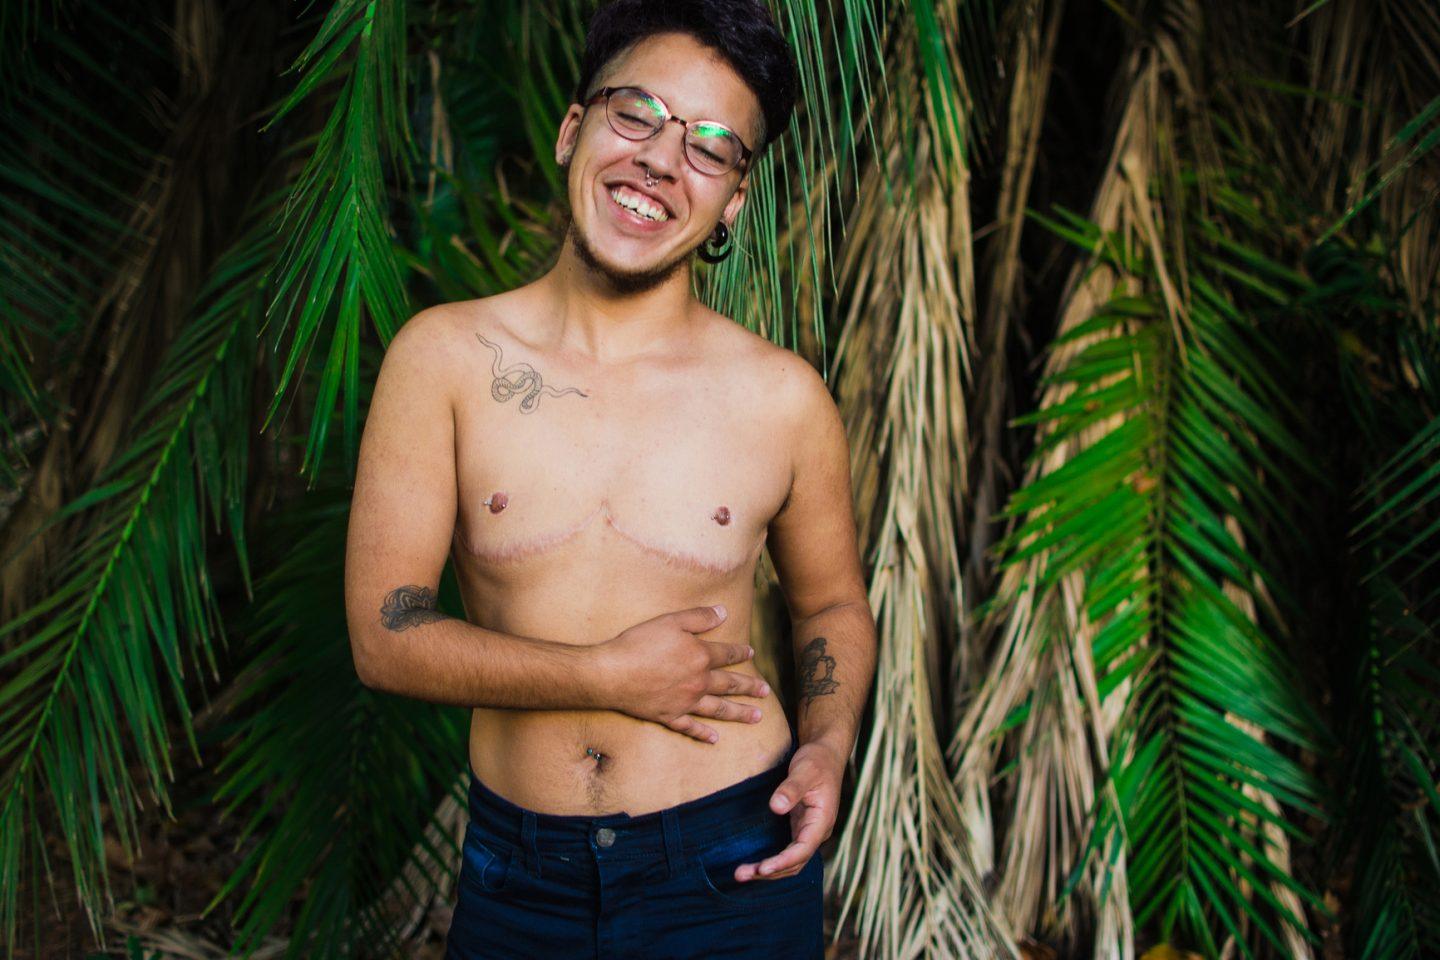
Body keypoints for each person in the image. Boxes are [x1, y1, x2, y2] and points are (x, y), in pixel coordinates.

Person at [343, 1, 876, 955]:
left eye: (711, 148)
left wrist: (828, 746)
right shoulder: (446, 360)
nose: (662, 162)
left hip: (730, 867)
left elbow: (831, 605)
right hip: (519, 878)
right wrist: (601, 677)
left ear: (735, 200)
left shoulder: (784, 400)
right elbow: (386, 638)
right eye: (636, 114)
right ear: (572, 129)